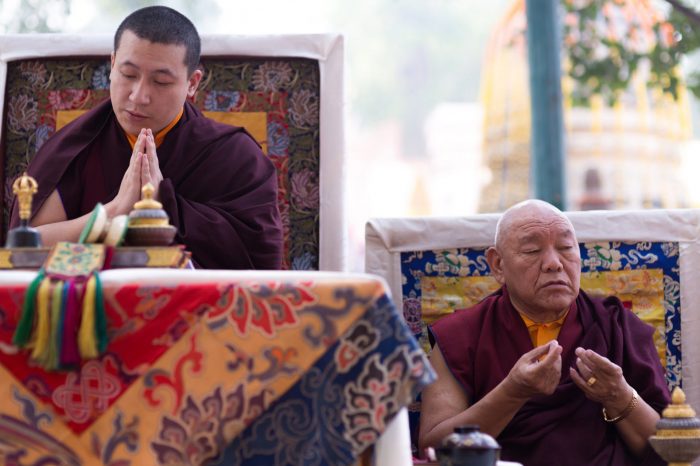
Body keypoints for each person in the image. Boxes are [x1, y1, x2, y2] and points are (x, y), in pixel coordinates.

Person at [9, 6, 283, 270]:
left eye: (161, 82)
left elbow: (259, 264)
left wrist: (162, 201)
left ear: (192, 83)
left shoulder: (234, 156)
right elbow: (24, 251)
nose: (138, 96)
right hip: (90, 310)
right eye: (128, 75)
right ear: (112, 64)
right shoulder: (75, 148)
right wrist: (116, 211)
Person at [419, 200, 670, 465]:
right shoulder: (461, 336)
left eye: (565, 248)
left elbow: (670, 450)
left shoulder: (616, 325)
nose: (554, 263)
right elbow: (432, 450)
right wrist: (512, 392)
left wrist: (618, 395)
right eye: (532, 250)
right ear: (498, 266)